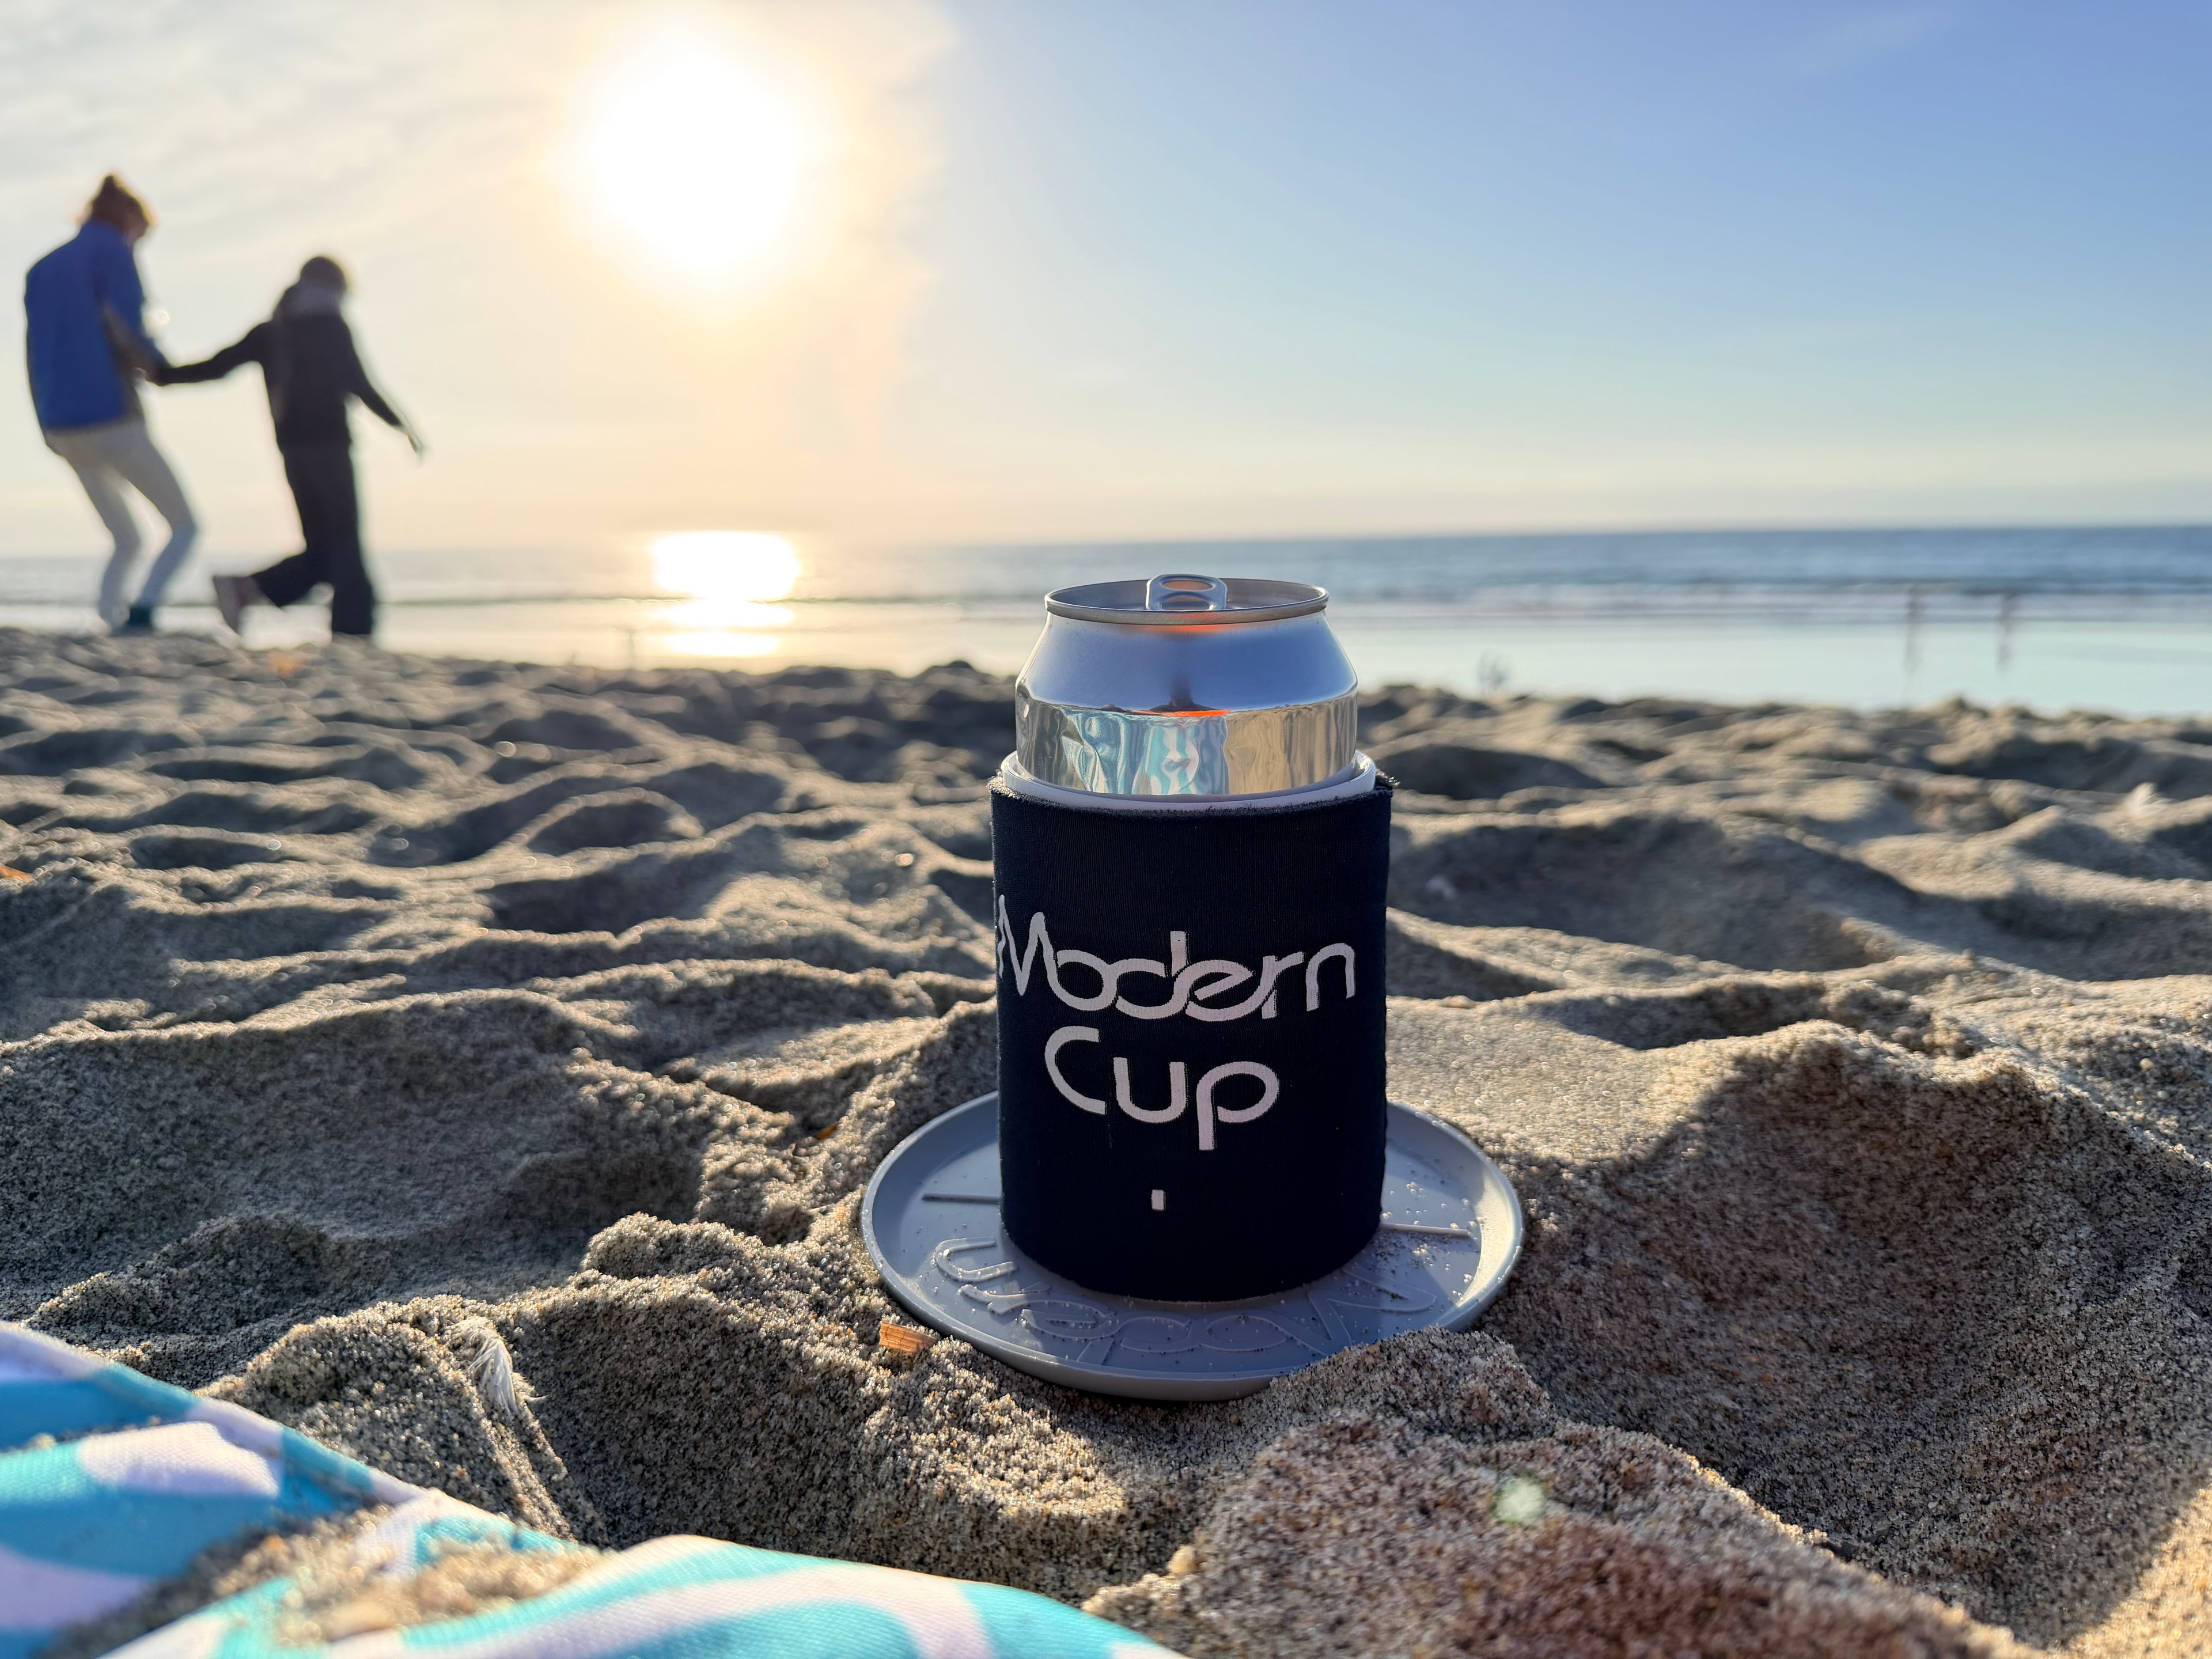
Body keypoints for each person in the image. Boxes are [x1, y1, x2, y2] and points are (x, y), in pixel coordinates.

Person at [158, 256, 422, 641]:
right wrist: (402, 426)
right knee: (345, 551)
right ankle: (354, 636)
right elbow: (361, 385)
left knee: (323, 551)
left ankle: (245, 590)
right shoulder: (332, 327)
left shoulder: (274, 330)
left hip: (294, 455)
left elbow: (218, 366)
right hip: (330, 450)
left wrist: (161, 375)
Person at [23, 176, 198, 634]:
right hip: (110, 414)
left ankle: (107, 618)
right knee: (184, 525)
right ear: (130, 220)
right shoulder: (113, 251)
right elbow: (126, 321)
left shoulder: (41, 269)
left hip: (60, 424)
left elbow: (32, 351)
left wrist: (44, 422)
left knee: (126, 536)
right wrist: (160, 368)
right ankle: (143, 610)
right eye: (142, 233)